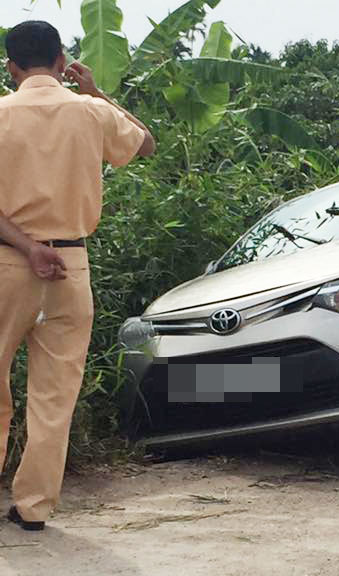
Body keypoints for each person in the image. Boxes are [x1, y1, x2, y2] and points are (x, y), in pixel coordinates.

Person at [0, 20, 155, 531]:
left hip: (6, 264)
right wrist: (98, 92)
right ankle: (33, 507)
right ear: (63, 61)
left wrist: (26, 246)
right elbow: (146, 145)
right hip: (71, 266)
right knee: (55, 393)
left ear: (11, 67)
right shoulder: (90, 112)